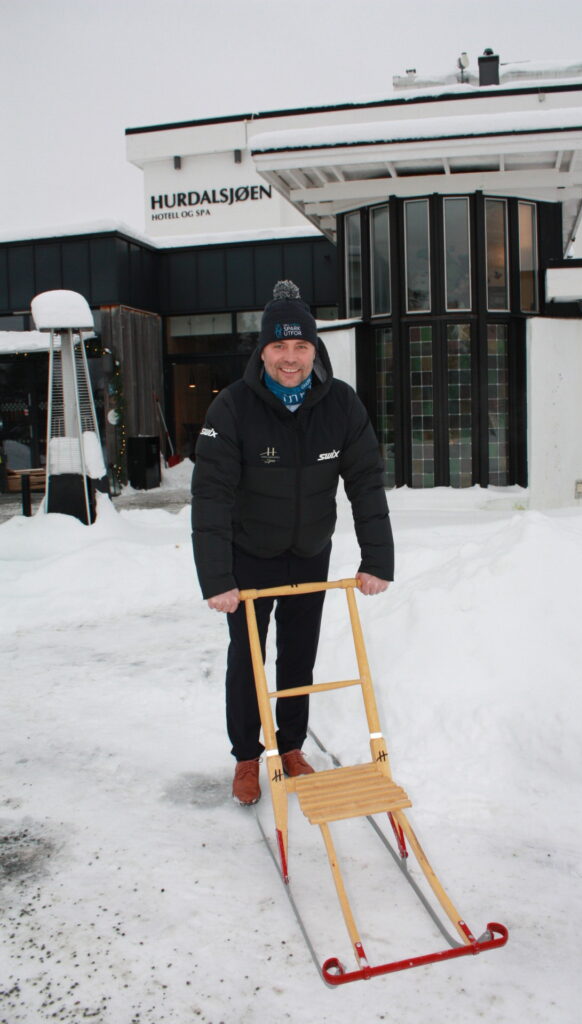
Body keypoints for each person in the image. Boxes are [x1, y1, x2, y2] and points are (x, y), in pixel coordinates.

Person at [191, 280, 394, 806]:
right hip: (249, 555)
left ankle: (292, 747)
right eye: (279, 346)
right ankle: (245, 756)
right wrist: (217, 578)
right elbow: (211, 497)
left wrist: (378, 559)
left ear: (314, 350)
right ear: (263, 350)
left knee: (299, 657)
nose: (290, 358)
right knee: (248, 660)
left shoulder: (341, 405)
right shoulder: (232, 408)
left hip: (309, 551)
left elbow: (367, 483)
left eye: (300, 346)